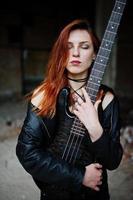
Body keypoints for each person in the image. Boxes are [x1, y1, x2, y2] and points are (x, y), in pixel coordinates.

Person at [16, 19, 123, 200]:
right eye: (68, 46)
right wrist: (80, 176)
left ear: (96, 54)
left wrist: (95, 129)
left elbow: (113, 161)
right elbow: (27, 152)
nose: (75, 53)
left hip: (93, 194)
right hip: (53, 191)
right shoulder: (44, 94)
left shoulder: (106, 99)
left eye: (84, 46)